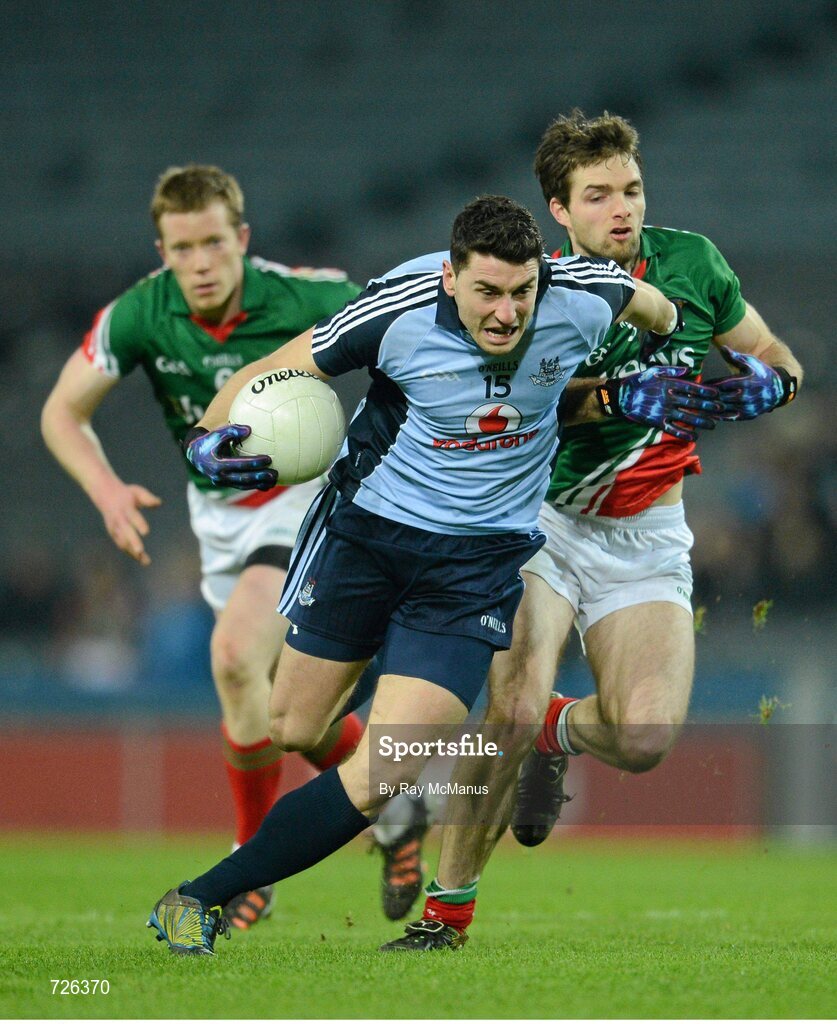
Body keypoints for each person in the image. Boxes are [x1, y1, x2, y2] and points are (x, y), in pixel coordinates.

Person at [144, 193, 693, 955]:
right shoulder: (394, 309)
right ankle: (372, 687)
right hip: (364, 540)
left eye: (521, 292)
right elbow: (275, 368)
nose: (505, 314)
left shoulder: (585, 296)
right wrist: (208, 437)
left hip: (473, 569)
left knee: (383, 773)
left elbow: (660, 310)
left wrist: (665, 358)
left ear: (543, 279)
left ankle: (202, 898)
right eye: (486, 293)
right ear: (449, 277)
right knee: (292, 726)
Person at [381, 110, 804, 951]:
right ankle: (446, 912)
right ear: (559, 209)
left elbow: (775, 354)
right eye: (598, 194)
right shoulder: (526, 289)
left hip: (646, 529)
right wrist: (611, 399)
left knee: (643, 738)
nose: (622, 209)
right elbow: (498, 404)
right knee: (507, 706)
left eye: (632, 189)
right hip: (538, 518)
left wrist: (772, 387)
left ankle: (557, 732)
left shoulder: (692, 264)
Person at [40, 164, 368, 930]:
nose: (200, 262)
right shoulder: (139, 314)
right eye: (182, 248)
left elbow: (404, 340)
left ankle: (248, 856)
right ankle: (392, 798)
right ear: (162, 250)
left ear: (241, 239)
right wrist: (108, 491)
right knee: (277, 705)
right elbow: (62, 413)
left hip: (305, 502)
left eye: (214, 243)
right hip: (218, 520)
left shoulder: (312, 295)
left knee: (231, 655)